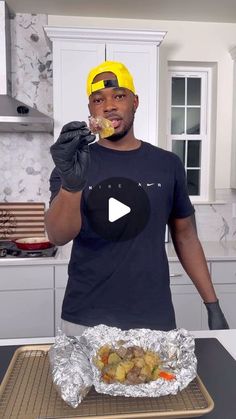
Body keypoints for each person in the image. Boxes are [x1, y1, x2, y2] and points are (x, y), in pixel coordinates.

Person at [45, 61, 229, 336]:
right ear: (91, 111)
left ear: (135, 102)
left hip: (152, 318)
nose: (108, 106)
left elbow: (186, 237)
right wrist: (72, 185)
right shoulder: (73, 163)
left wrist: (213, 305)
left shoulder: (167, 164)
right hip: (84, 317)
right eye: (98, 100)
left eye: (118, 95)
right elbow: (58, 236)